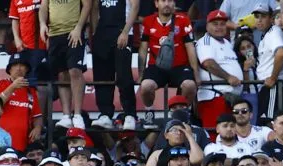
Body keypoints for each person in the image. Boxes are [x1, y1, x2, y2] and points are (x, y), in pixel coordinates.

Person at [138, 0, 198, 127]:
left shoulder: (183, 20)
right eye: (163, 1)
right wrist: (141, 74)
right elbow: (143, 49)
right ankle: (149, 112)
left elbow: (190, 48)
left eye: (170, 1)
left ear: (174, 4)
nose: (167, 4)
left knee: (190, 85)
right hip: (157, 67)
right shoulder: (148, 21)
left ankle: (182, 114)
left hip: (179, 66)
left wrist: (196, 73)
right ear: (156, 4)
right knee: (145, 86)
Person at [39, 0, 89, 129]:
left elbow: (87, 5)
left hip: (74, 32)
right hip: (54, 34)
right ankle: (66, 115)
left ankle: (77, 115)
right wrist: (42, 24)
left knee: (75, 71)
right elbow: (44, 7)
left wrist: (79, 28)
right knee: (61, 74)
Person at [90, 0, 138, 131]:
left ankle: (130, 114)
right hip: (102, 33)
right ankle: (105, 114)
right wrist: (95, 32)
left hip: (122, 31)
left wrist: (125, 32)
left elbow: (135, 6)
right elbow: (94, 7)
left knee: (124, 75)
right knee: (101, 75)